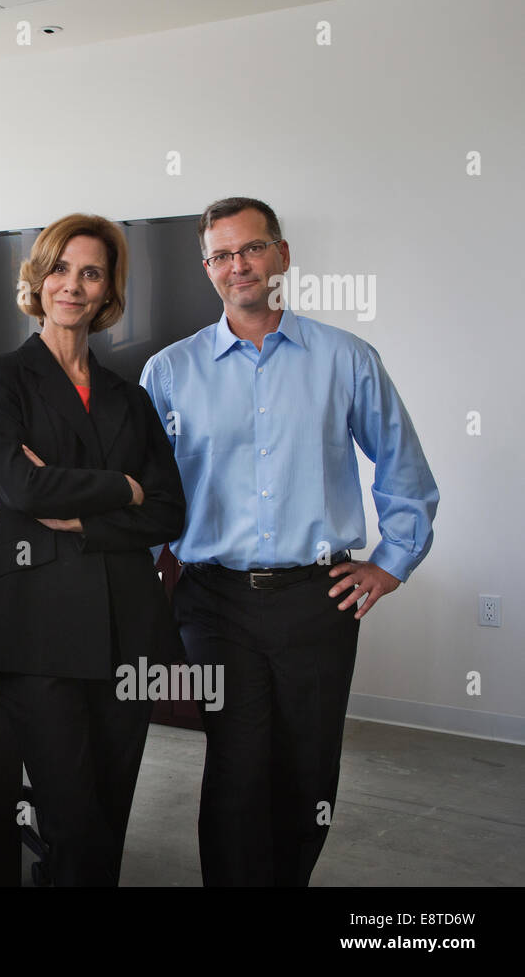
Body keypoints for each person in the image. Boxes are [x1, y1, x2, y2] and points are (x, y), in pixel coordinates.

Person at [140, 196, 439, 886]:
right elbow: (146, 493)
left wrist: (390, 563)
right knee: (237, 764)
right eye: (221, 254)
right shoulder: (169, 372)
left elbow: (405, 470)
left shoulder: (347, 359)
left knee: (309, 768)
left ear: (281, 255)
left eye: (251, 249)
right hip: (212, 600)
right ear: (206, 267)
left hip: (318, 598)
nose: (237, 265)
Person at [0, 213, 187, 886]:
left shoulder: (130, 394)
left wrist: (88, 519)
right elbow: (27, 488)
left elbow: (171, 509)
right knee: (70, 813)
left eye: (90, 272)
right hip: (38, 627)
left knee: (110, 816)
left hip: (129, 627)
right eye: (59, 267)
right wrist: (123, 486)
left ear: (107, 289)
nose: (72, 284)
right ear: (37, 278)